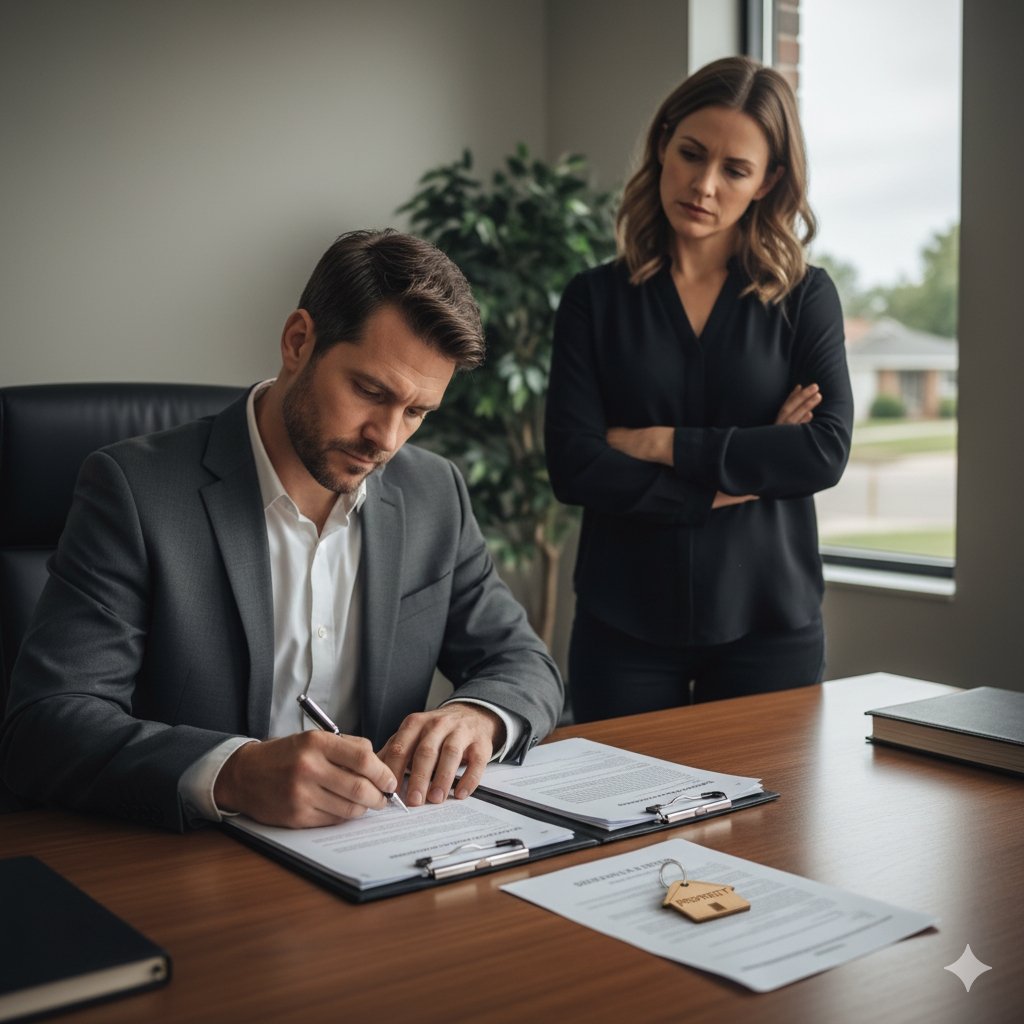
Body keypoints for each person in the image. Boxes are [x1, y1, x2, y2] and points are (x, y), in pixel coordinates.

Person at [0, 229, 563, 830]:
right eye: (370, 391)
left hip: (378, 856)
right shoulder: (134, 491)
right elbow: (46, 724)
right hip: (190, 863)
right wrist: (233, 772)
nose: (388, 438)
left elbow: (524, 662)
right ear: (299, 341)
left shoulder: (434, 494)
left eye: (417, 412)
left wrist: (478, 716)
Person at [545, 57, 854, 722]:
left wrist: (658, 443)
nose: (704, 184)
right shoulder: (593, 299)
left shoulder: (805, 298)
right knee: (620, 825)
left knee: (770, 825)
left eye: (735, 170)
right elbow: (574, 466)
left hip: (769, 623)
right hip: (621, 623)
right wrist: (744, 468)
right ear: (662, 146)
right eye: (690, 154)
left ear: (768, 181)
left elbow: (823, 452)